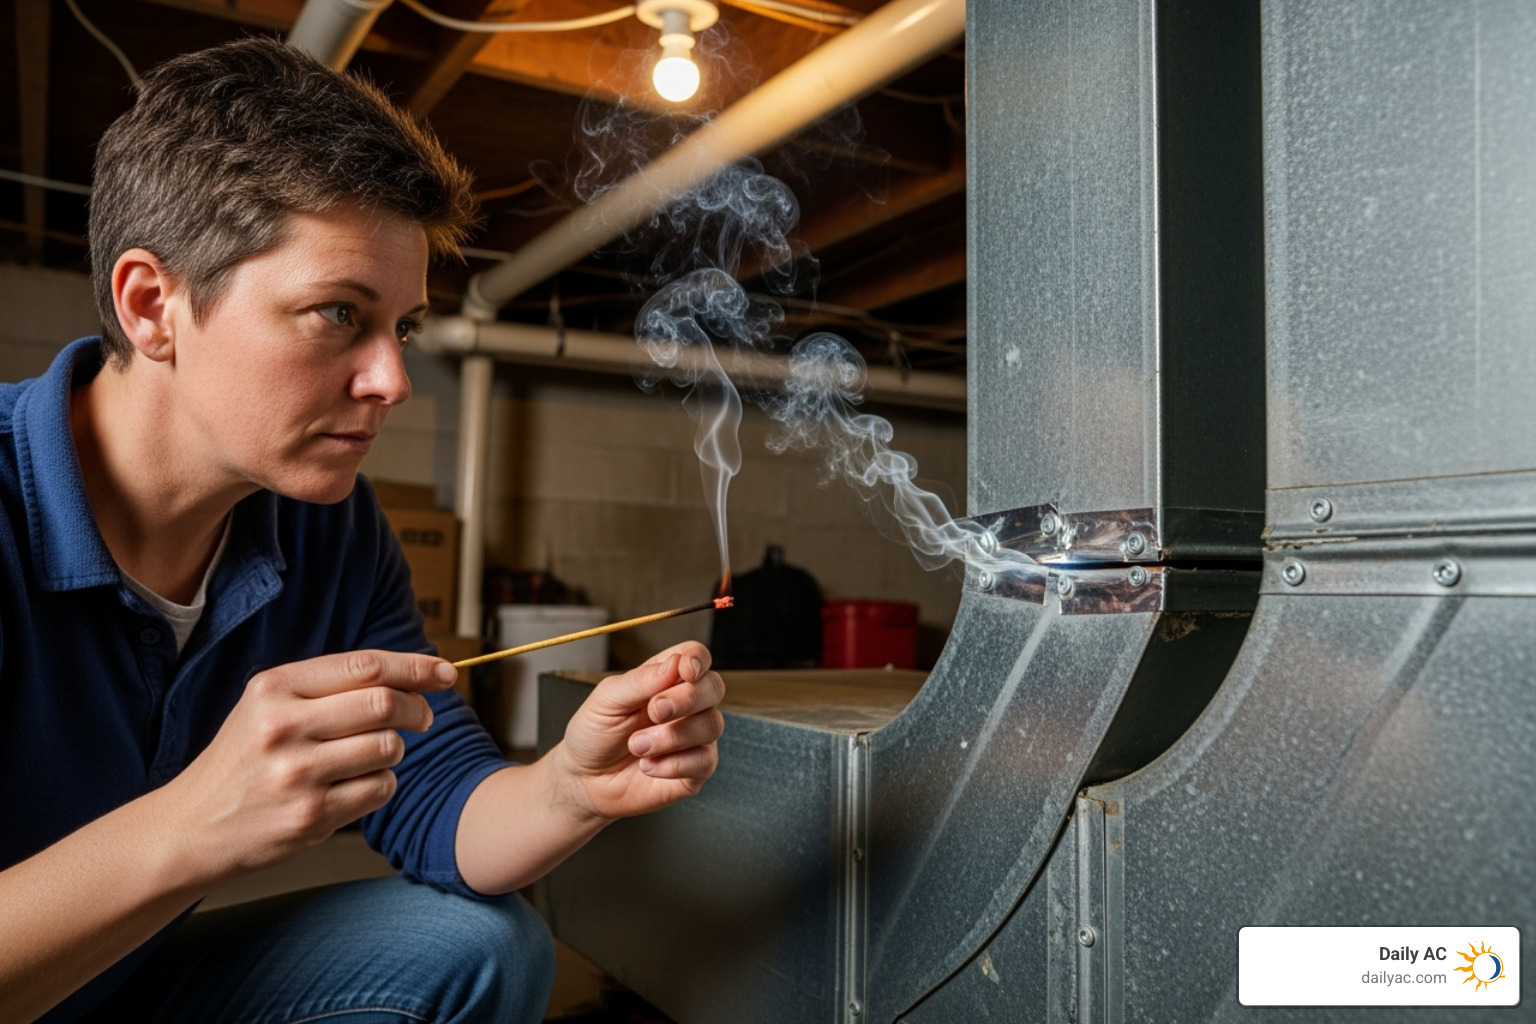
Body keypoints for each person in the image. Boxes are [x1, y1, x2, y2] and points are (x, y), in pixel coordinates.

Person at [0, 36, 725, 1024]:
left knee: (483, 945)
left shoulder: (326, 527)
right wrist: (193, 826)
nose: (391, 380)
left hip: (119, 984)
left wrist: (571, 786)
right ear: (151, 304)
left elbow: (430, 792)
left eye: (403, 327)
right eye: (337, 313)